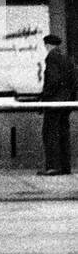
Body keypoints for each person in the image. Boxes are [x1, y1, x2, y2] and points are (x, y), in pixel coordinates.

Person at [39, 35, 77, 176]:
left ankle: (53, 167)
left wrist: (45, 97)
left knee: (50, 133)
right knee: (63, 133)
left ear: (47, 45)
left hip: (54, 102)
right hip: (65, 103)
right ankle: (65, 167)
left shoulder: (52, 57)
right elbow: (74, 80)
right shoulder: (67, 58)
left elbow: (53, 80)